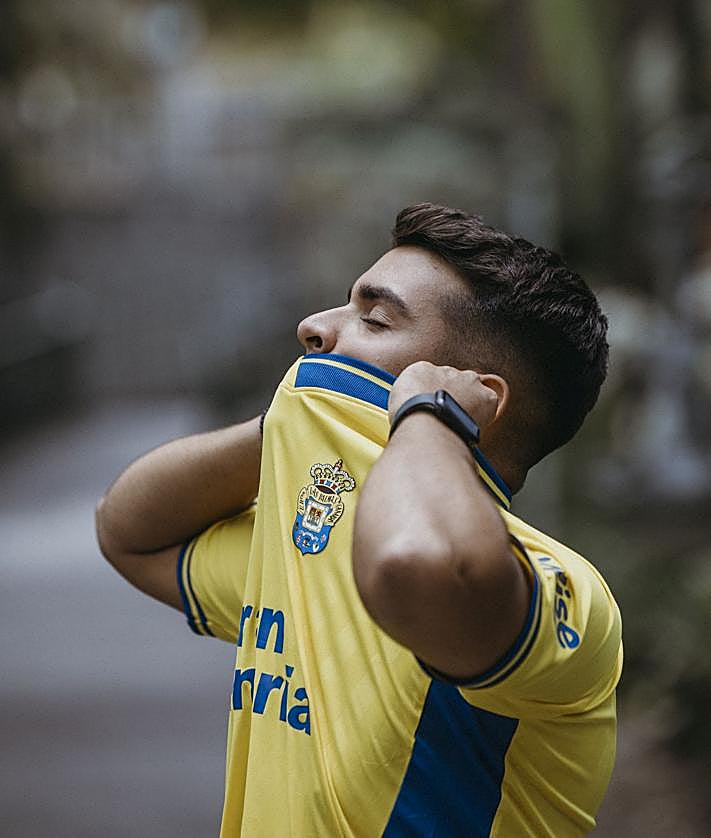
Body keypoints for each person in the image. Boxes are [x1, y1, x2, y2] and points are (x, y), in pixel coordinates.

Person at [96, 203, 622, 837]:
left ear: (475, 399)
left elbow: (417, 563)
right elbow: (126, 531)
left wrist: (432, 418)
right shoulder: (309, 546)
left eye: (374, 319)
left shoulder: (563, 590)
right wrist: (289, 428)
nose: (313, 327)